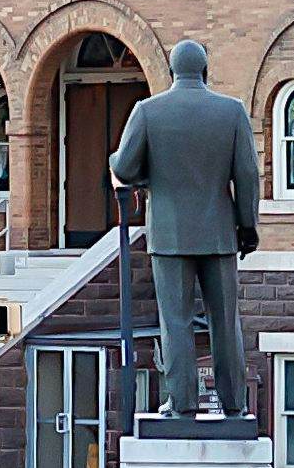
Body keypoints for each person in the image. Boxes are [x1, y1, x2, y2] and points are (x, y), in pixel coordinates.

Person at [106, 38, 259, 421]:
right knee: (225, 321)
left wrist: (145, 175)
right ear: (205, 71)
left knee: (175, 321)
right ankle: (234, 403)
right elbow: (247, 175)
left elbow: (123, 168)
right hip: (220, 233)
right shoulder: (232, 112)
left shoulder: (147, 111)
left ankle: (182, 402)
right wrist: (247, 226)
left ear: (172, 72)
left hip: (170, 234)